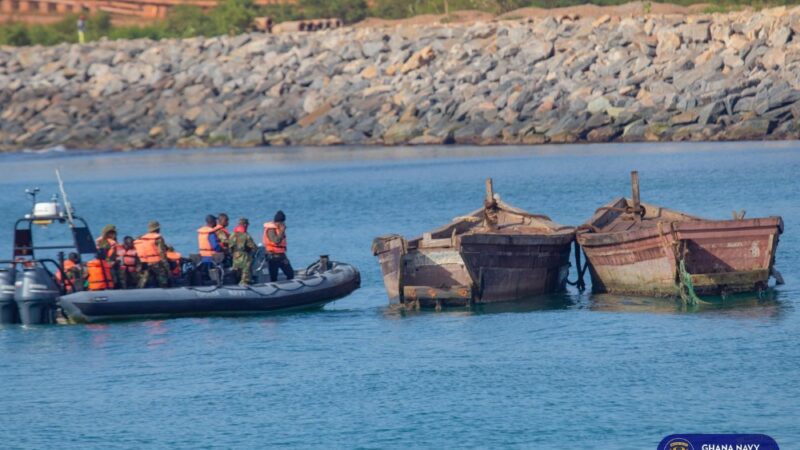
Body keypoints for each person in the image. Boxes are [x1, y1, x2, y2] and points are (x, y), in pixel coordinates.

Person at [135, 221, 171, 288]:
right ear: (158, 229)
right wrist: (167, 267)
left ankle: (139, 292)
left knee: (143, 281)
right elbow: (161, 252)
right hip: (156, 263)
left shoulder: (142, 238)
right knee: (163, 281)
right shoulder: (158, 238)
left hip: (145, 263)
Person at [262, 210, 294, 282]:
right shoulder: (271, 230)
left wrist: (282, 231)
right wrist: (282, 231)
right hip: (273, 256)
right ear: (278, 222)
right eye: (282, 222)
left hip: (281, 255)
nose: (283, 224)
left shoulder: (279, 229)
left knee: (290, 273)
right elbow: (276, 241)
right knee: (273, 276)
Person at [229, 218, 257, 285]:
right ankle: (245, 282)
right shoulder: (246, 235)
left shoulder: (232, 234)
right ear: (244, 225)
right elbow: (253, 246)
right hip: (244, 257)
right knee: (246, 269)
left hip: (235, 257)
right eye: (247, 225)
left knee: (237, 270)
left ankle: (236, 282)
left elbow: (230, 246)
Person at [96, 224, 121, 288]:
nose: (114, 235)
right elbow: (104, 255)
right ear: (108, 233)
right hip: (109, 265)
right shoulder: (106, 242)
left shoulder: (106, 241)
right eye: (113, 233)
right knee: (114, 281)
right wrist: (111, 262)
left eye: (114, 233)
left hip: (109, 264)